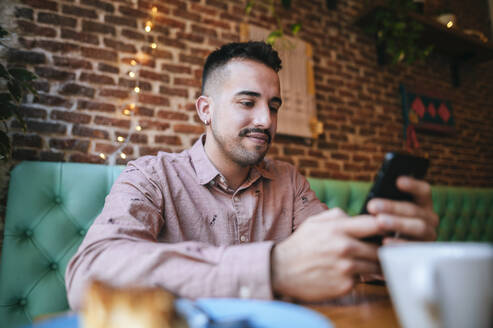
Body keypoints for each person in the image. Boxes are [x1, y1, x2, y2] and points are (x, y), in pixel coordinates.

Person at [65, 41, 438, 309]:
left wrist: (393, 252)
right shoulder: (151, 176)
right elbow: (90, 273)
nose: (266, 120)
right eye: (247, 102)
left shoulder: (289, 181)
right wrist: (272, 268)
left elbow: (337, 256)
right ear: (205, 110)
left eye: (273, 106)